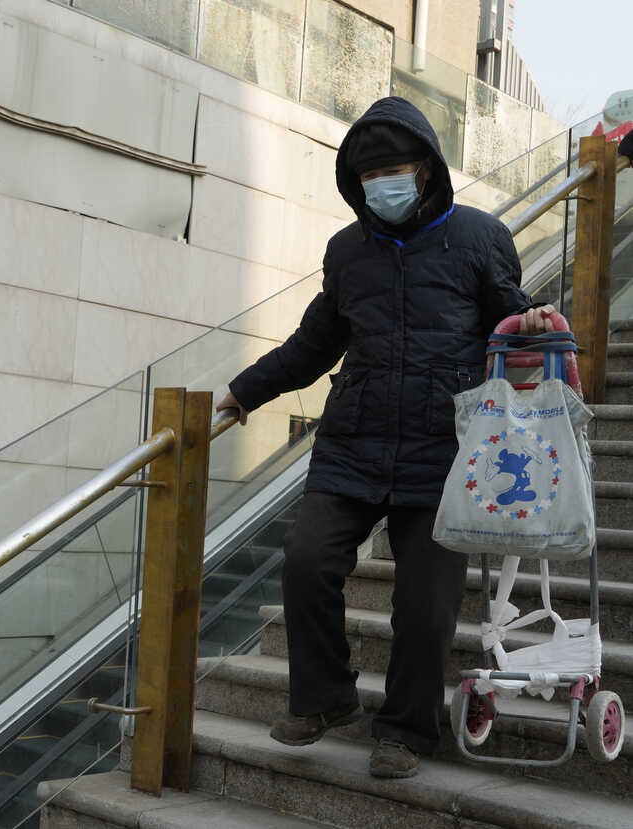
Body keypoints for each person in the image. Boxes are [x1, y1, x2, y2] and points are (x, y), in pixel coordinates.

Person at [215, 96, 554, 778]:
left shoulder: (480, 238)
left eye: (394, 170)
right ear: (355, 182)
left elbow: (512, 315)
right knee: (307, 558)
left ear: (425, 171)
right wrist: (242, 390)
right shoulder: (347, 251)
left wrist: (538, 319)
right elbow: (313, 343)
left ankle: (404, 729)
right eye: (369, 175)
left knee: (425, 604)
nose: (382, 184)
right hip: (353, 442)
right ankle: (325, 697)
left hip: (443, 448)